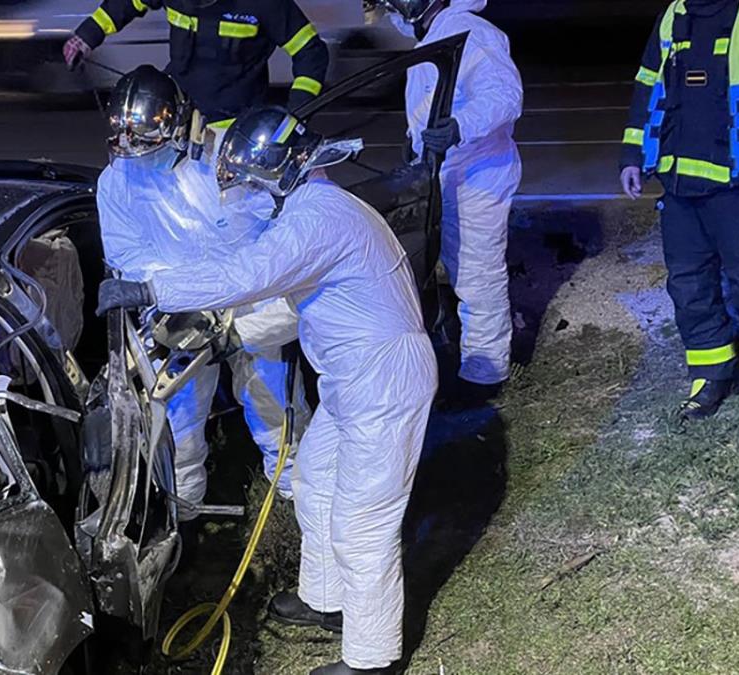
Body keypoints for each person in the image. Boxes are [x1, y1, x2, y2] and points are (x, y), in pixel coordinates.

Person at [98, 106, 437, 675]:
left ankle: (373, 659)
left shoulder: (316, 220)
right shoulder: (318, 208)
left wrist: (150, 287)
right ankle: (326, 600)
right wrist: (223, 328)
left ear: (277, 170)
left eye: (250, 182)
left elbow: (250, 273)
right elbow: (288, 311)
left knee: (363, 521)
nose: (245, 193)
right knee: (316, 479)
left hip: (384, 383)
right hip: (355, 381)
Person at [96, 66, 310, 524]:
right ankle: (185, 514)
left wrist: (234, 301)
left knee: (272, 402)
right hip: (180, 310)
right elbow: (127, 253)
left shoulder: (223, 156)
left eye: (146, 141)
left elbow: (269, 220)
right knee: (178, 420)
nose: (136, 154)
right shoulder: (117, 182)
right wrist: (180, 297)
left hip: (250, 297)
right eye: (128, 142)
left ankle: (296, 501)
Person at [619, 0, 739, 425]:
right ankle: (711, 374)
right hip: (678, 180)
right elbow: (647, 86)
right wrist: (633, 155)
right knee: (688, 285)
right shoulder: (675, 13)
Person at [378, 0, 523, 406]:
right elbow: (430, 102)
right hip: (445, 171)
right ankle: (456, 346)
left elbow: (505, 95)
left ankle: (485, 374)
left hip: (477, 174)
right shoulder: (435, 35)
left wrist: (460, 128)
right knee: (444, 267)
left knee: (478, 274)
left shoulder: (471, 33)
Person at [64, 0, 329, 125]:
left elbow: (311, 53)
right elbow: (126, 4)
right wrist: (86, 36)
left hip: (234, 129)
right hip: (178, 119)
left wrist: (295, 115)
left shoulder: (264, 3)